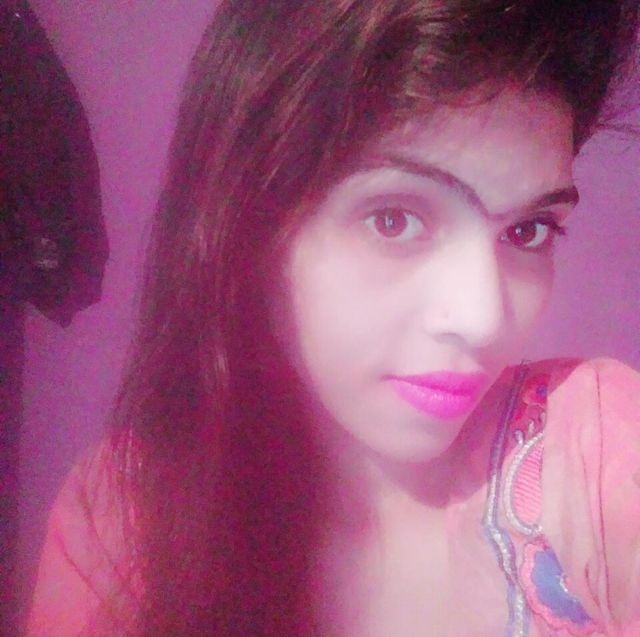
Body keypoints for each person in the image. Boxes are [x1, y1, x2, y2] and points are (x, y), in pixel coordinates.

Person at [25, 1, 640, 636]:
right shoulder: (127, 521)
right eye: (394, 219)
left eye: (528, 230)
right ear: (246, 229)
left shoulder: (589, 448)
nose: (483, 320)